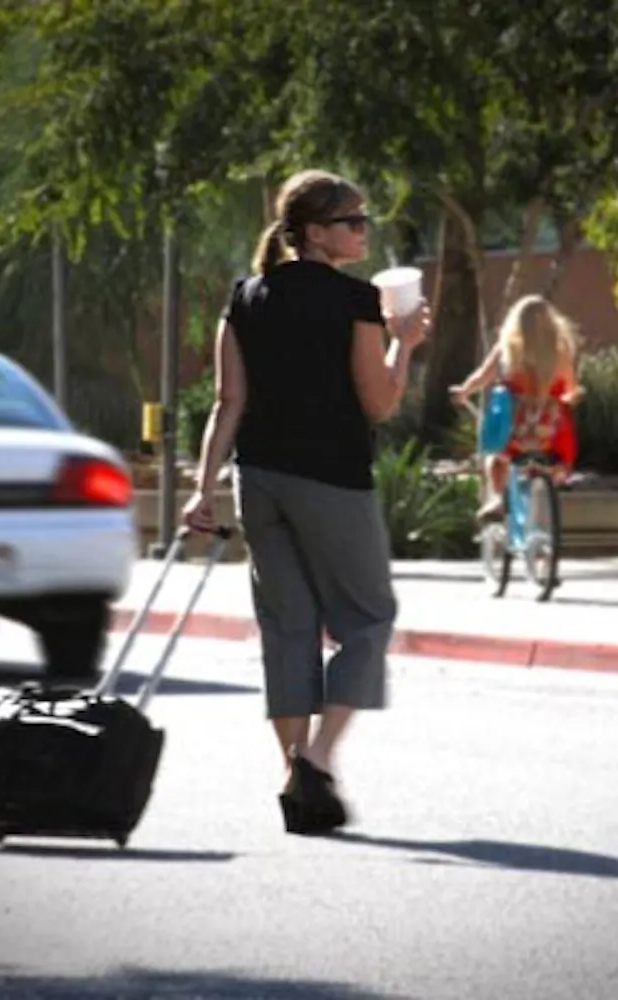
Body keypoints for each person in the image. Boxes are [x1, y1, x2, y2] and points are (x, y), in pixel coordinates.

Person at [182, 168, 432, 836]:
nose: (363, 231)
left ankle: (297, 782)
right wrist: (405, 342)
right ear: (316, 232)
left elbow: (227, 403)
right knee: (369, 618)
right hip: (331, 478)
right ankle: (316, 761)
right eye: (353, 221)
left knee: (288, 629)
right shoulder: (353, 302)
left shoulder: (245, 297)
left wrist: (201, 489)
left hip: (257, 479)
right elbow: (378, 403)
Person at [450, 294, 584, 521]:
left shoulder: (507, 350)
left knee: (496, 455)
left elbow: (482, 377)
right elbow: (570, 388)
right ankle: (557, 475)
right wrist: (570, 396)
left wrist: (463, 391)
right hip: (550, 434)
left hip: (516, 431)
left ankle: (497, 498)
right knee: (560, 431)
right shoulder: (561, 353)